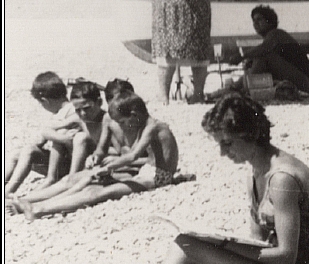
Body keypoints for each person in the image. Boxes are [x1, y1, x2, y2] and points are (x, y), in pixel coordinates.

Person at [25, 95, 309, 264]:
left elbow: (288, 256)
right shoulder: (257, 171)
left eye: (227, 143)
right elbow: (259, 241)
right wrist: (221, 257)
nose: (223, 153)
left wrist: (218, 251)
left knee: (186, 245)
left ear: (250, 136)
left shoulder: (282, 179)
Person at [8, 94, 183, 220]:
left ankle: (39, 209)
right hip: (148, 171)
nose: (123, 126)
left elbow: (133, 155)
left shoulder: (154, 127)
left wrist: (109, 167)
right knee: (87, 183)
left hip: (158, 177)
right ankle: (33, 204)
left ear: (134, 115)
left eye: (122, 122)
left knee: (98, 193)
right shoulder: (146, 125)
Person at [4, 72, 75, 194]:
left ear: (45, 101)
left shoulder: (65, 113)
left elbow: (41, 140)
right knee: (18, 153)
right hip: (64, 162)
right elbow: (40, 140)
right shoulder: (68, 109)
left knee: (28, 151)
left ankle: (7, 192)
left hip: (70, 166)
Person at [242, 5, 309, 94]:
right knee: (252, 63)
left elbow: (263, 49)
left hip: (305, 82)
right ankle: (238, 87)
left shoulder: (276, 33)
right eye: (254, 20)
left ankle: (248, 89)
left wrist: (241, 56)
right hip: (300, 82)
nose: (255, 23)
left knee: (262, 56)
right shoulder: (270, 39)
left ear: (269, 21)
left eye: (259, 19)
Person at [66, 80, 109, 175]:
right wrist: (65, 138)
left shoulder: (107, 121)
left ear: (99, 102)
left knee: (80, 137)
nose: (83, 113)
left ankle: (71, 177)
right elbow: (47, 131)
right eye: (78, 110)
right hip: (85, 161)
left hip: (103, 163)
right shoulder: (79, 119)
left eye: (87, 108)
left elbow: (120, 150)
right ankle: (65, 177)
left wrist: (95, 154)